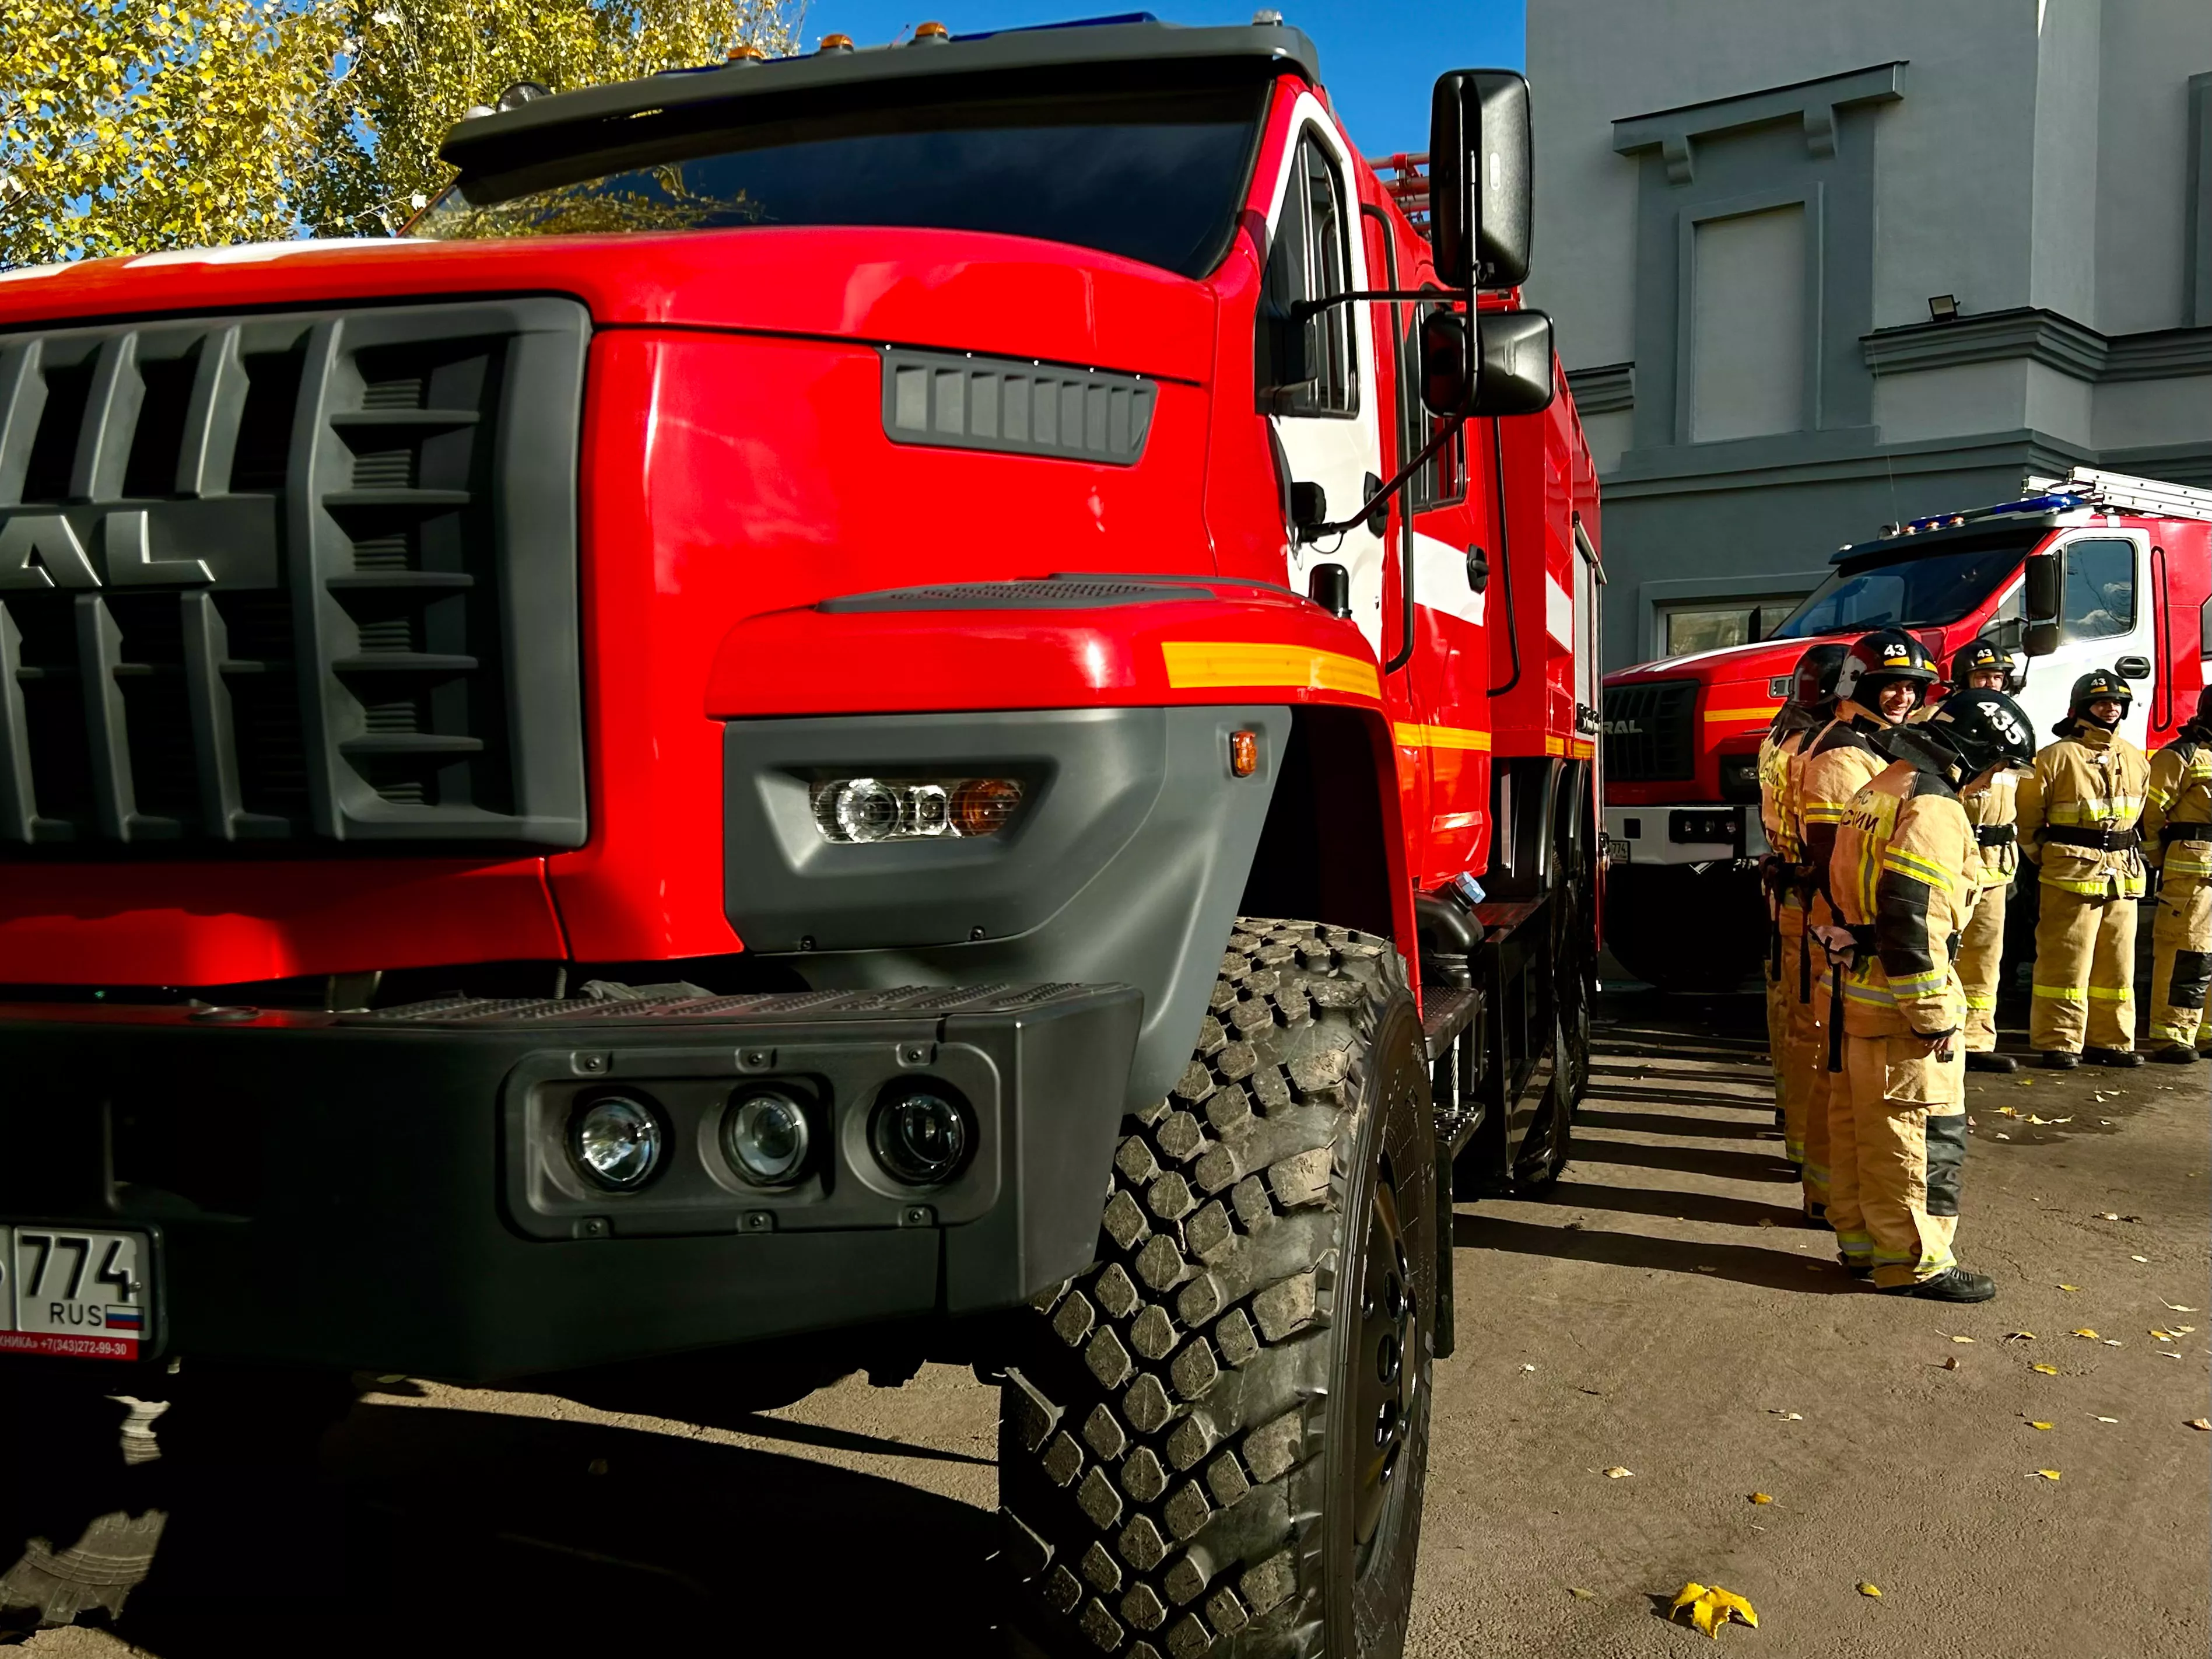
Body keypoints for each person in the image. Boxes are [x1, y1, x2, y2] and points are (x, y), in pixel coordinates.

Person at [1824, 689, 2036, 1301]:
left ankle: (1863, 1246)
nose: (1989, 782)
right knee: (1918, 1134)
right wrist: (1934, 1012)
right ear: (1975, 753)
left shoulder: (1883, 785)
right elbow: (1911, 916)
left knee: (1861, 1128)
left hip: (1859, 989)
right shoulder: (1935, 808)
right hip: (1901, 1003)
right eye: (1995, 767)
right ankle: (1914, 1263)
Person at [1789, 628, 1939, 1222]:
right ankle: (1832, 1201)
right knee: (1845, 1082)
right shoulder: (1844, 753)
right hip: (1846, 940)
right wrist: (1866, 934)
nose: (1902, 696)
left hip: (1850, 938)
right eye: (1889, 686)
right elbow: (1832, 856)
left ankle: (1838, 1208)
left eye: (1910, 687)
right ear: (1858, 687)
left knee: (1842, 1079)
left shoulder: (1872, 743)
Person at [2015, 670, 2151, 1069]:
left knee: (2117, 962)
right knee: (2065, 960)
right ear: (2080, 709)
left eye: (2116, 703)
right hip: (2069, 874)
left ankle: (2110, 1041)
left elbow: (2139, 811)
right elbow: (2026, 822)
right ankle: (2059, 1041)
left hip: (2122, 874)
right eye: (2100, 702)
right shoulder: (2055, 757)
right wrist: (2047, 856)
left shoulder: (2133, 756)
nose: (2109, 709)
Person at [1758, 643, 1846, 1168]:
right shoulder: (1823, 750)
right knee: (1815, 1029)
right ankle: (1805, 1145)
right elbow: (1828, 840)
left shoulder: (1780, 736)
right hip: (1814, 899)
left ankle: (1793, 1127)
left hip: (1787, 891)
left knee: (1791, 1017)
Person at [1947, 639, 2025, 1071]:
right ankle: (1944, 1036)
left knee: (1985, 954)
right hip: (1953, 856)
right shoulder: (1940, 723)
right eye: (1982, 677)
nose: (1991, 684)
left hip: (1997, 860)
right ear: (1963, 681)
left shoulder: (2014, 728)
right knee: (1946, 948)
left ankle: (1977, 1041)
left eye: (1997, 678)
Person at [2140, 698, 2212, 1063]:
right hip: (2192, 876)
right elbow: (2149, 816)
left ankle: (2208, 1032)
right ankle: (2173, 1035)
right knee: (2188, 953)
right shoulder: (2180, 756)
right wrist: (2159, 860)